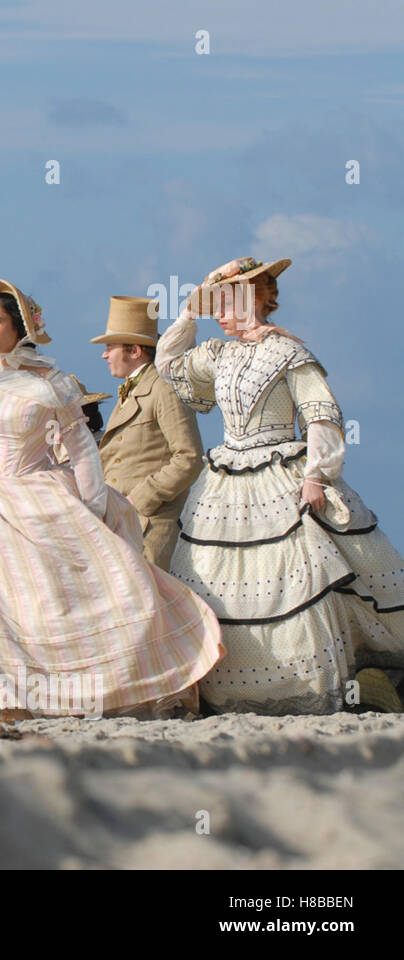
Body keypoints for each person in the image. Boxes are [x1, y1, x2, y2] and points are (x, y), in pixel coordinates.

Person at [0, 279, 224, 721]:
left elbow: (81, 452)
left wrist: (95, 511)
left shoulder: (53, 382)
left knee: (46, 606)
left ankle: (75, 694)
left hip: (37, 495)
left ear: (21, 327)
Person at [157, 257, 404, 714]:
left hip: (280, 474)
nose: (219, 314)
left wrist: (316, 475)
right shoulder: (218, 353)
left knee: (296, 580)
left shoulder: (288, 352)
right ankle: (228, 691)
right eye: (214, 306)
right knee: (216, 577)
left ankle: (306, 689)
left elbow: (322, 414)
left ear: (252, 299)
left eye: (224, 304)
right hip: (225, 482)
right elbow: (169, 363)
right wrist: (190, 309)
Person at [91, 296, 205, 571]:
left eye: (110, 347)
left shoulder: (163, 389)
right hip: (122, 524)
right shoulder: (133, 390)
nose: (104, 355)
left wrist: (137, 501)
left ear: (134, 351)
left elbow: (189, 458)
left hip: (148, 526)